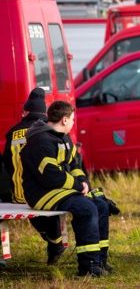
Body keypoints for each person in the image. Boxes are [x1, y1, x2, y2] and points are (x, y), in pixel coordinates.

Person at [21, 101, 111, 276]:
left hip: (60, 189)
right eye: (72, 119)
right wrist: (77, 186)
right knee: (86, 209)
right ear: (64, 120)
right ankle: (88, 268)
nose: (73, 123)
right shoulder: (40, 141)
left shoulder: (64, 138)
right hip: (42, 193)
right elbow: (50, 175)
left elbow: (74, 164)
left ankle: (100, 261)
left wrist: (84, 182)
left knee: (101, 205)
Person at [2, 89, 65, 266]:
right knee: (46, 207)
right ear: (45, 113)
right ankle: (55, 242)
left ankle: (53, 241)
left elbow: (7, 163)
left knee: (36, 215)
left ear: (24, 112)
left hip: (18, 196)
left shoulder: (12, 133)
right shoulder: (49, 132)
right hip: (44, 193)